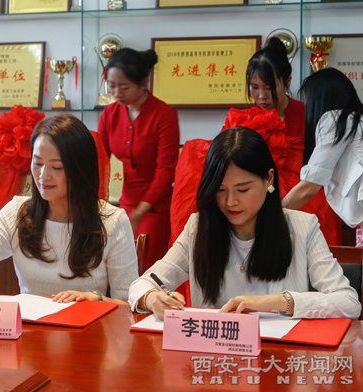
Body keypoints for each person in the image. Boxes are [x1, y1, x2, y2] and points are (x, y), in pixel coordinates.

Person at [129, 126, 360, 320]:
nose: (231, 201)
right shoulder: (198, 228)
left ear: (269, 179)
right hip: (214, 354)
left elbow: (348, 302)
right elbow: (142, 284)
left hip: (279, 354)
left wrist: (279, 302)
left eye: (242, 189)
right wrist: (151, 298)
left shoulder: (302, 227)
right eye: (221, 190)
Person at [0, 114, 139, 304]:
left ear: (80, 169)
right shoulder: (17, 212)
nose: (43, 176)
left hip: (89, 324)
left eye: (57, 167)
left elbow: (129, 304)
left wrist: (96, 299)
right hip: (30, 324)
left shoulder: (112, 220)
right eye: (37, 163)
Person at [170, 37, 342, 249]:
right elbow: (221, 160)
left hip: (302, 202)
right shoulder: (241, 120)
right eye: (254, 88)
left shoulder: (309, 115)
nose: (261, 96)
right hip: (250, 208)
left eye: (269, 88)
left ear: (287, 82)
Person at [97, 48, 179, 270]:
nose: (117, 93)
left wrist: (140, 212)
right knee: (120, 269)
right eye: (112, 86)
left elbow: (166, 171)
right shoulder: (109, 114)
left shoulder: (164, 115)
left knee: (147, 268)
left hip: (155, 207)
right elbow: (99, 159)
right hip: (125, 204)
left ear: (143, 83)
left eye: (124, 87)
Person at [283, 68, 363, 246]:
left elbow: (309, 187)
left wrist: (274, 213)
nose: (306, 107)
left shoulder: (335, 119)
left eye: (307, 101)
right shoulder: (356, 120)